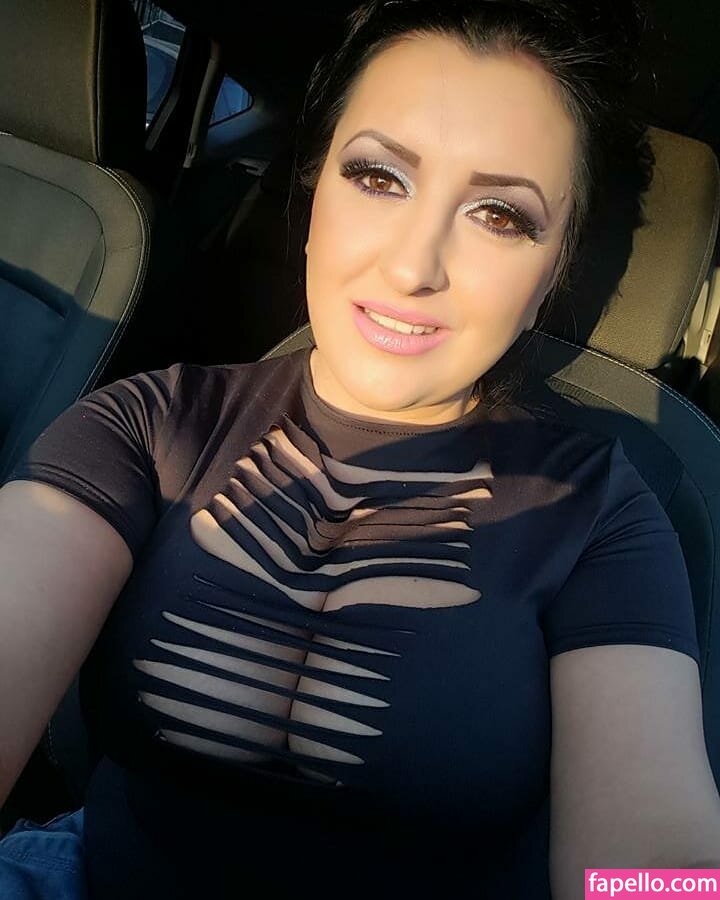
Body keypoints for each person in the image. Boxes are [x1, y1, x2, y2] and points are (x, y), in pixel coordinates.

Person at [1, 1, 719, 898]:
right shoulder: (144, 426)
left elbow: (655, 858)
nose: (414, 266)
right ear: (314, 200)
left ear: (552, 274)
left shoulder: (599, 513)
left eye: (500, 215)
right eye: (379, 177)